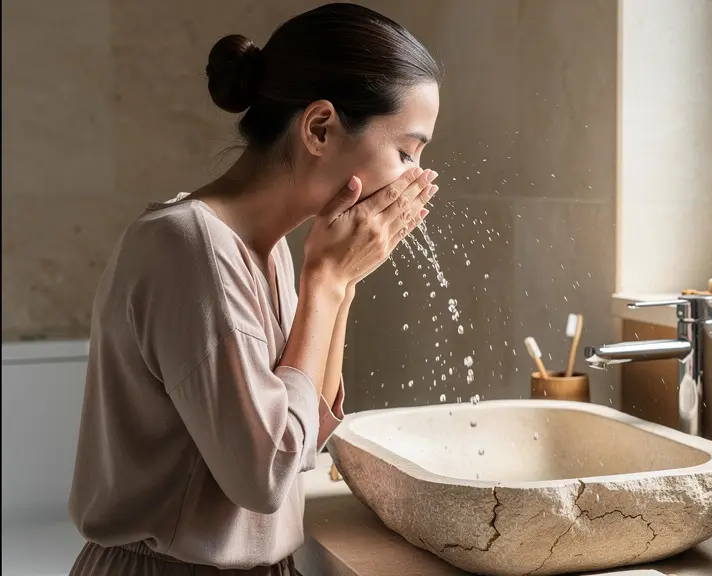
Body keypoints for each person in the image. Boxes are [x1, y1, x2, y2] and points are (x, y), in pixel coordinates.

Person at [67, 4, 441, 574]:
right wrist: (327, 280)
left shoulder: (270, 255)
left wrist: (342, 282)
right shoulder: (186, 247)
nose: (414, 178)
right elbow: (264, 476)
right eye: (407, 152)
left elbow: (301, 442)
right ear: (319, 128)